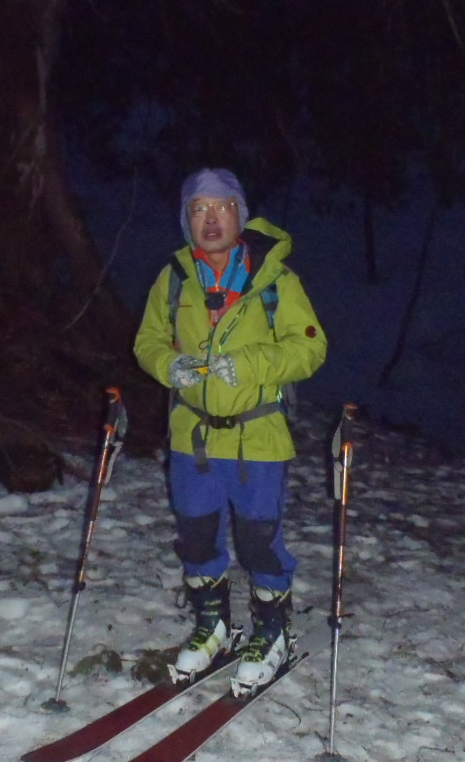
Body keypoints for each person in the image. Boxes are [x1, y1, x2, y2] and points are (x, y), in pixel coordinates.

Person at [134, 167, 327, 696]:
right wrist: (166, 365)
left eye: (221, 207)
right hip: (190, 438)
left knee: (258, 539)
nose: (210, 218)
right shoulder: (173, 279)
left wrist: (251, 364)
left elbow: (311, 348)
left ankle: (271, 631)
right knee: (195, 537)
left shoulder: (275, 281)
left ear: (240, 214)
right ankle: (213, 625)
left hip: (256, 438)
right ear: (186, 220)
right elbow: (147, 339)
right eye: (199, 209)